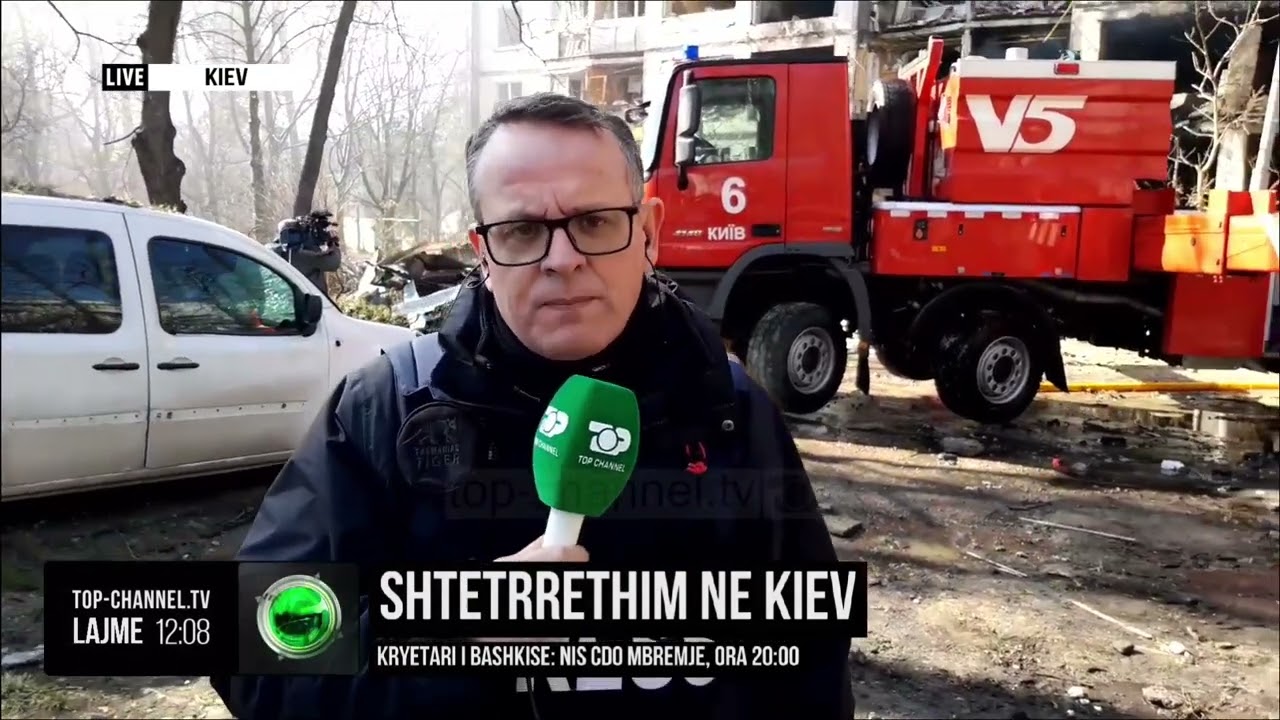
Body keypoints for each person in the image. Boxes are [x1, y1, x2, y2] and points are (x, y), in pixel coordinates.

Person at [211, 92, 853, 720]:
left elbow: (810, 668)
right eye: (522, 231)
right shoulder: (387, 409)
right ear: (484, 253)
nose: (562, 260)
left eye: (595, 222)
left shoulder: (731, 413)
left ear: (648, 233)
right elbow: (253, 648)